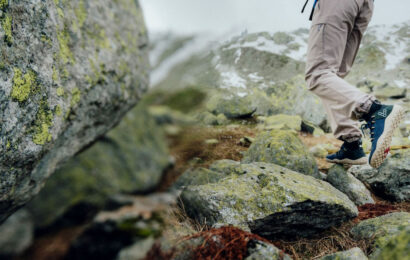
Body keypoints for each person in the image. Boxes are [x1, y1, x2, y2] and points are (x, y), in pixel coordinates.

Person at [304, 0, 405, 168]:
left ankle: (374, 110)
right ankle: (352, 145)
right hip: (363, 5)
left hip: (336, 4)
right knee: (333, 77)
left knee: (318, 74)